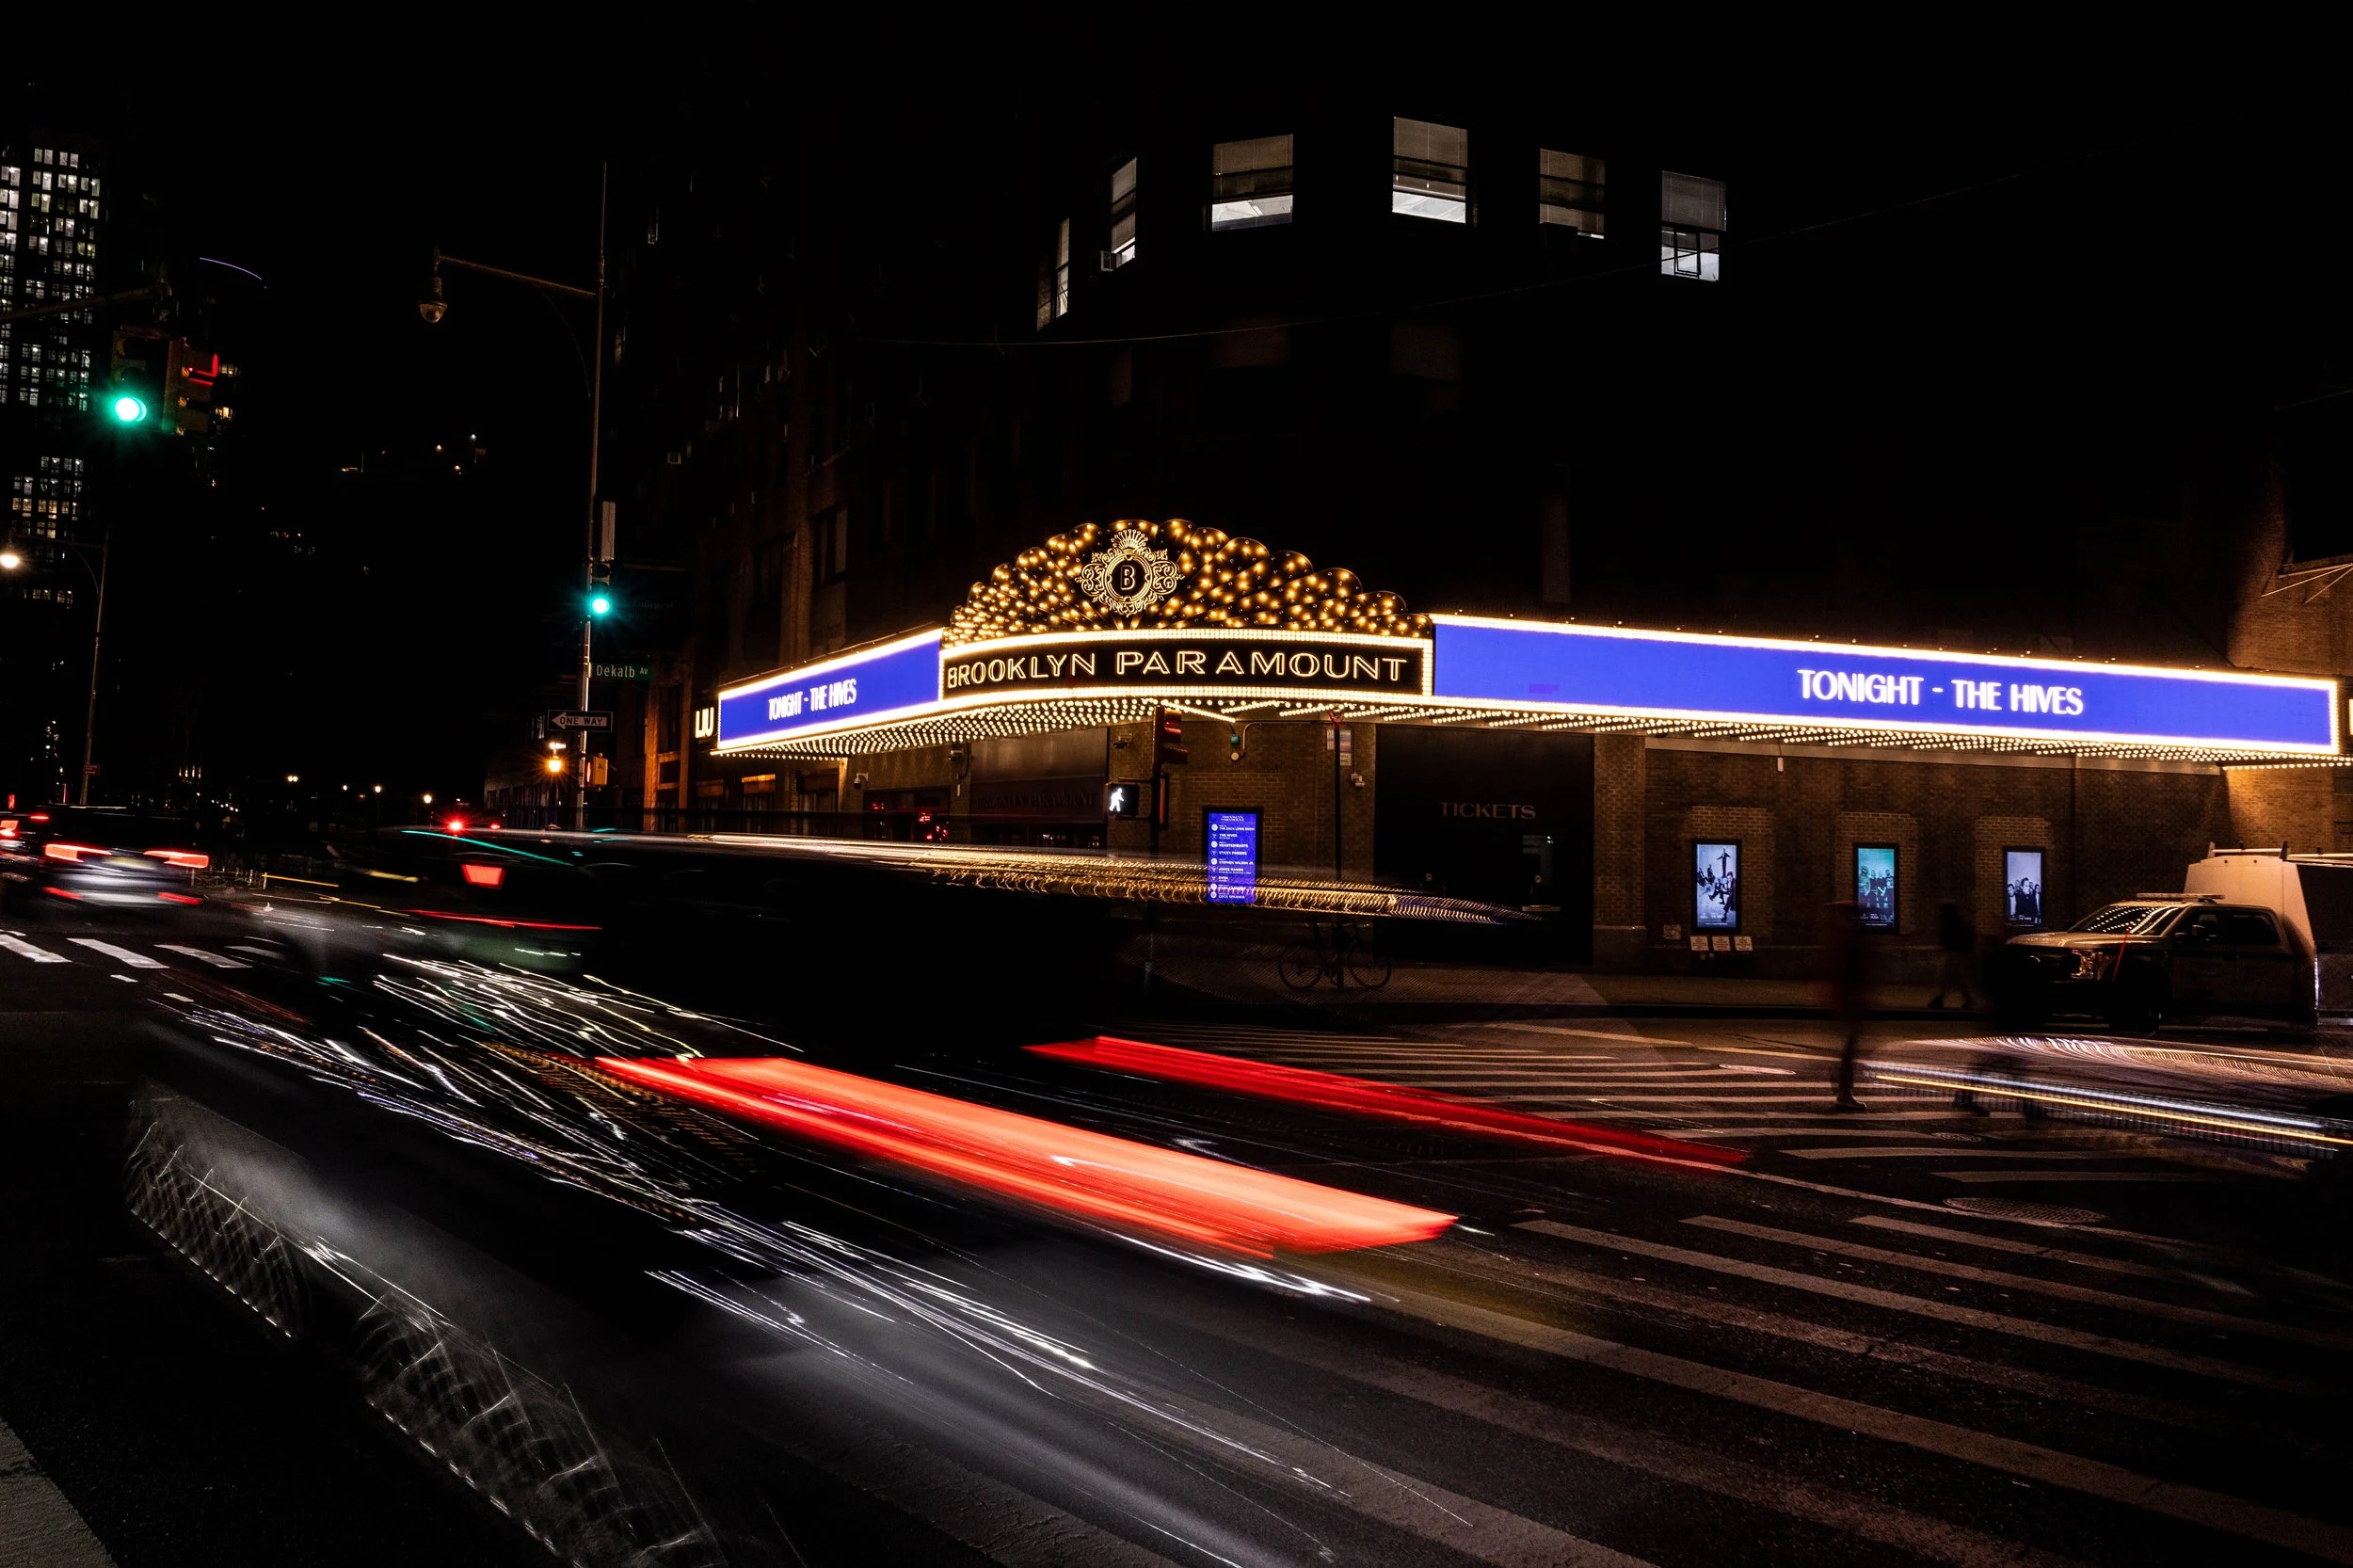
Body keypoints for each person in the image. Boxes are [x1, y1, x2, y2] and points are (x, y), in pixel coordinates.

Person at [1821, 899, 1868, 1111]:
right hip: (1850, 1001)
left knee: (1847, 1048)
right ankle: (1844, 1093)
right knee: (1849, 1049)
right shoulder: (1850, 938)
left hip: (1845, 1000)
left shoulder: (1838, 937)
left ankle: (1843, 1090)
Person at [1928, 899, 1977, 1010]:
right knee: (1956, 977)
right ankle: (1966, 999)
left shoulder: (1950, 923)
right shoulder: (1957, 922)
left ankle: (1939, 998)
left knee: (1945, 976)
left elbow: (1948, 939)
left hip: (1954, 953)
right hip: (1959, 953)